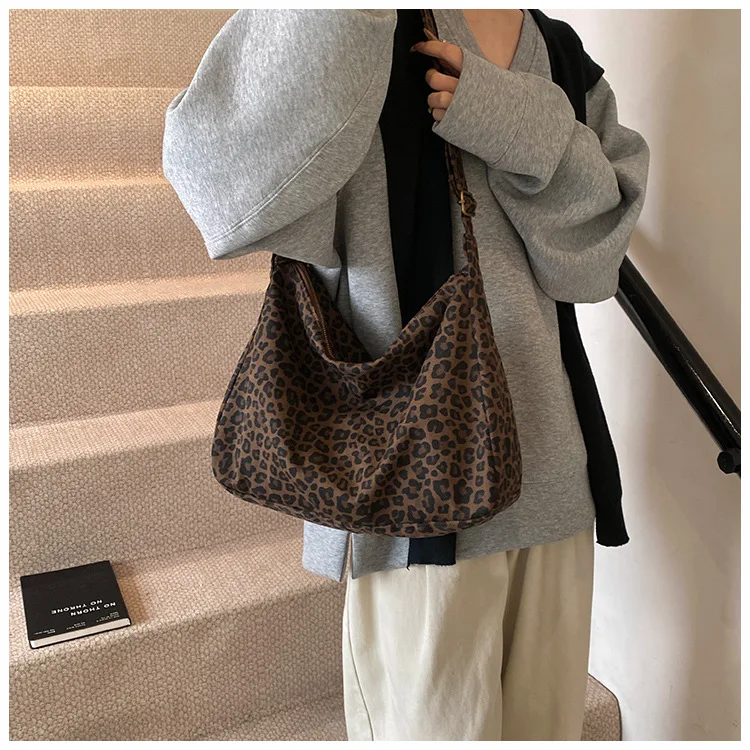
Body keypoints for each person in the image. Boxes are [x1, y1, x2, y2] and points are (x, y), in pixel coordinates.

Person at [162, 8, 650, 741]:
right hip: (412, 497)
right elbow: (216, 177)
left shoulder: (560, 52)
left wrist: (506, 114)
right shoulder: (355, 25)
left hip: (554, 481)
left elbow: (588, 263)